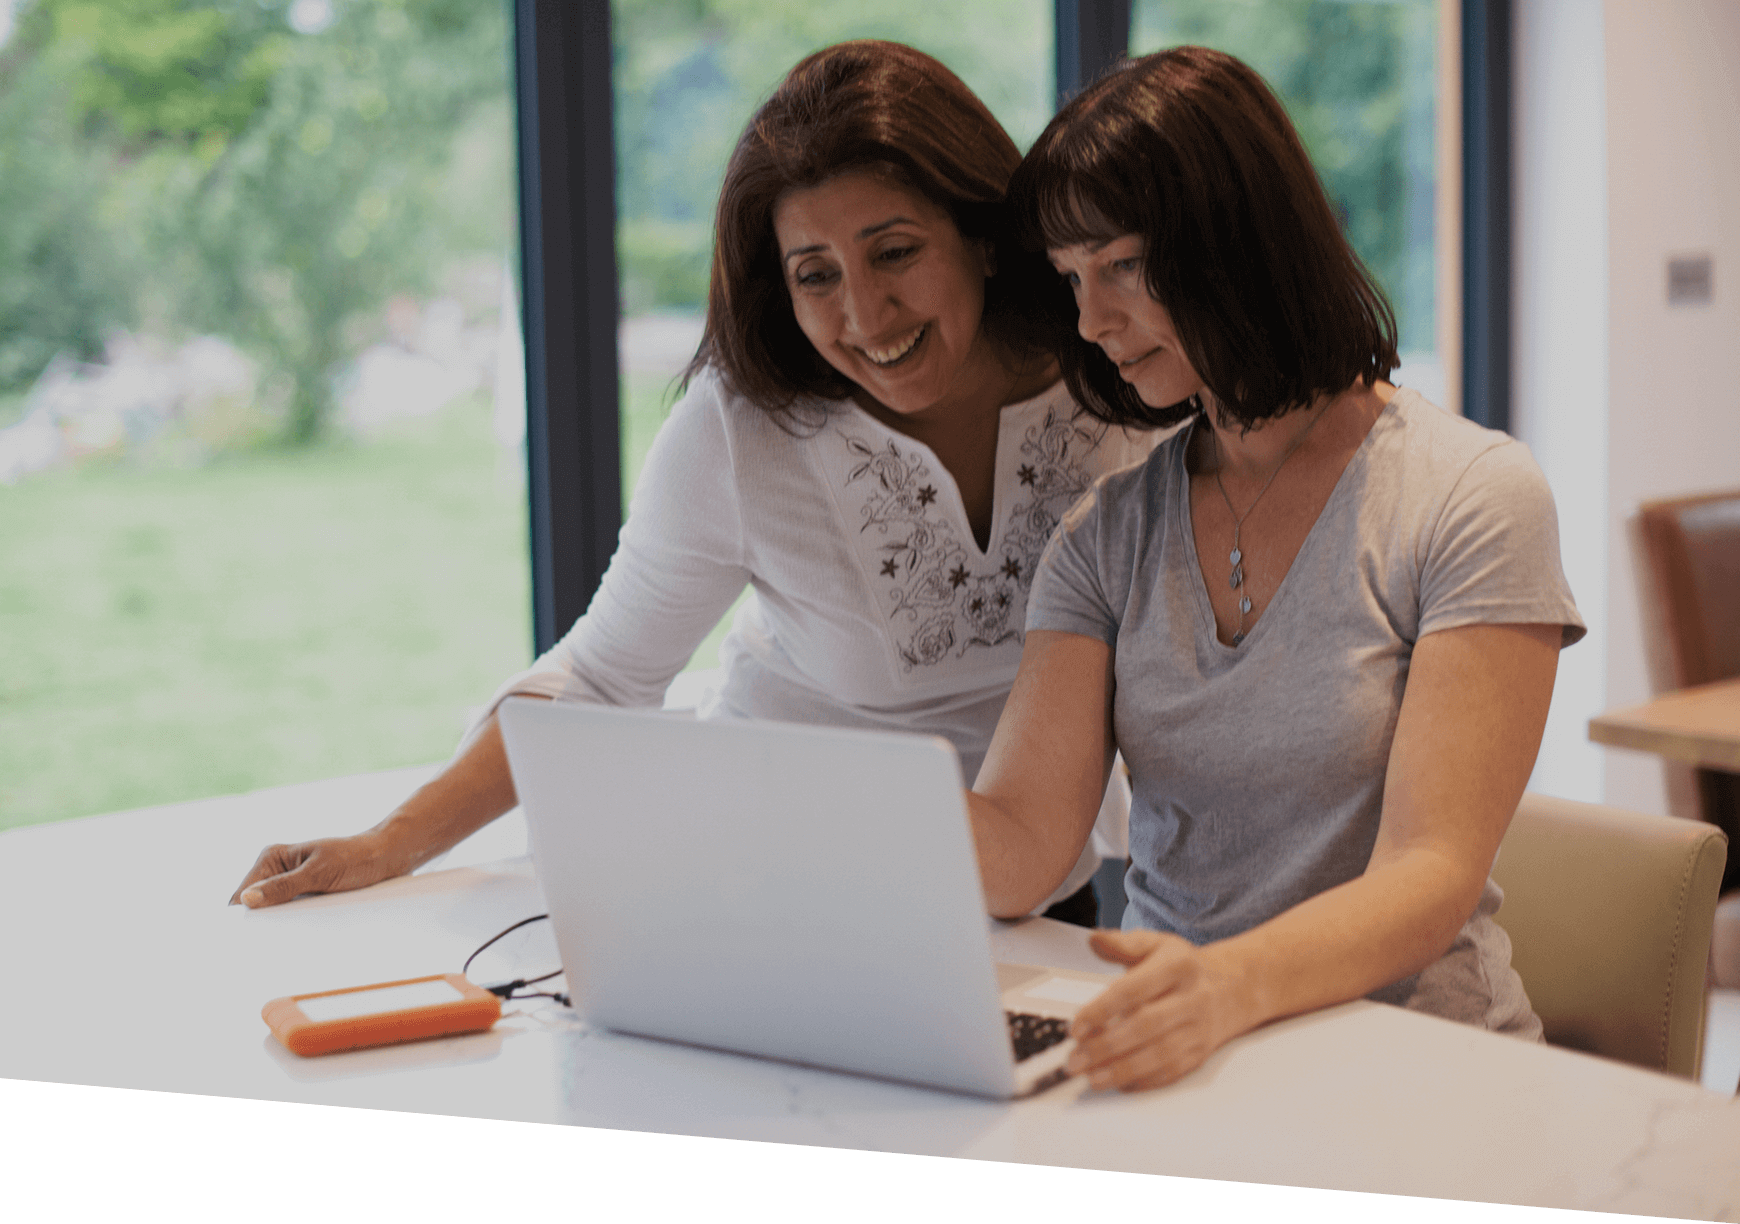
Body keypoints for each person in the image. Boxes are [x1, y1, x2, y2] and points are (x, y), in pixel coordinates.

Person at [230, 41, 1156, 920]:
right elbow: (596, 677)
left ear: (983, 237)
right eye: (814, 274)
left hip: (1035, 902)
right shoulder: (741, 430)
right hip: (770, 899)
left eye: (895, 251)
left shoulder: (1113, 374)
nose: (864, 313)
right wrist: (389, 843)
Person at [967, 46, 1586, 1091]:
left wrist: (1227, 985)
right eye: (1071, 279)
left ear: (1237, 241)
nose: (1089, 322)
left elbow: (1431, 872)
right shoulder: (1104, 534)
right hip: (1181, 1052)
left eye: (1120, 265)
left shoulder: (1471, 493)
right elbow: (1026, 842)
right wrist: (822, 804)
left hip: (1422, 1068)